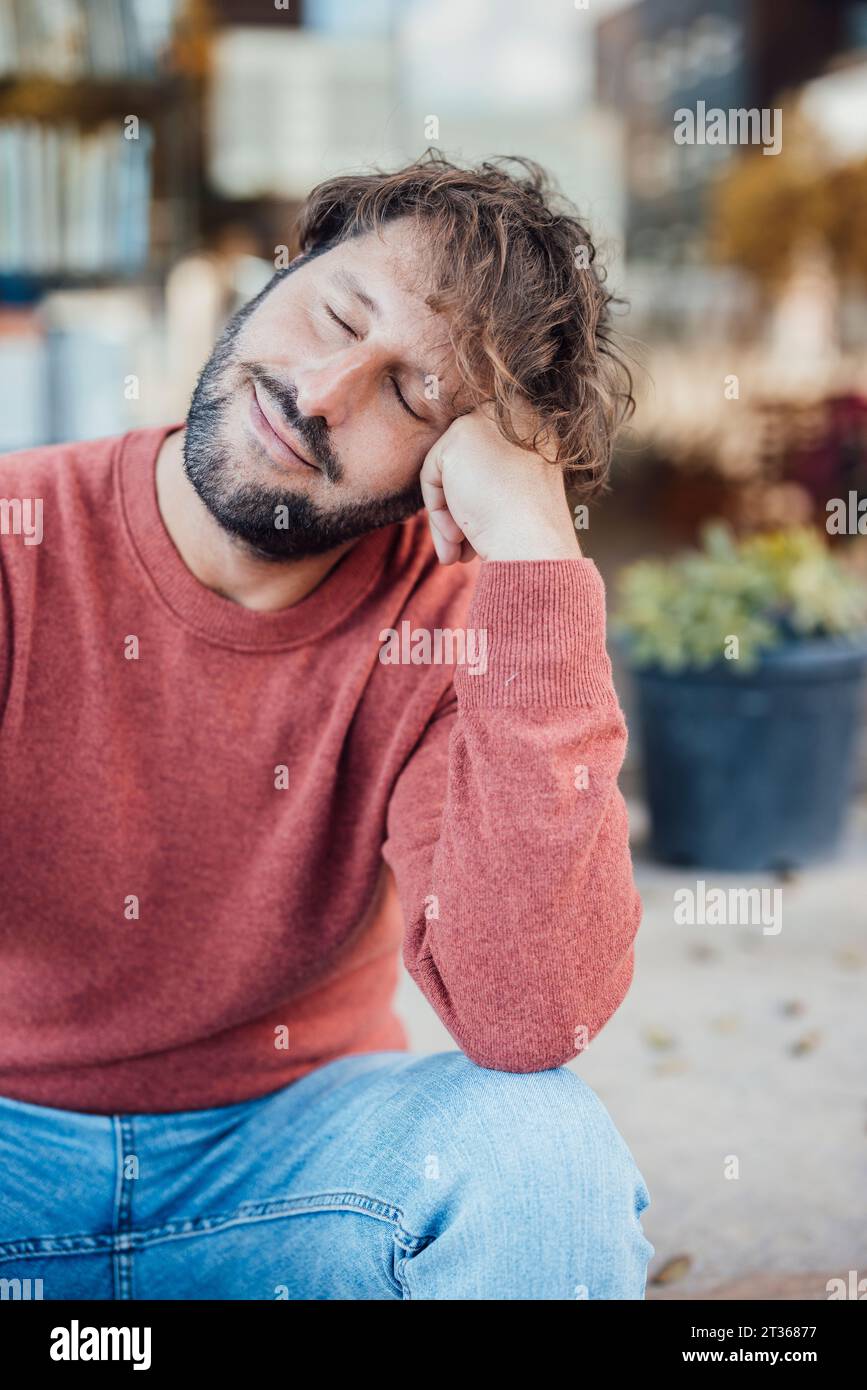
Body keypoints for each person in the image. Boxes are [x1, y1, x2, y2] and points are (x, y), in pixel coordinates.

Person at [0, 153, 653, 1300]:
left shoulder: (458, 631)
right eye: (337, 313)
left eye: (414, 396)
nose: (323, 391)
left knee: (539, 1152)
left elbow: (529, 1012)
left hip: (295, 1165)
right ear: (279, 272)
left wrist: (540, 568)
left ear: (455, 471)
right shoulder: (21, 539)